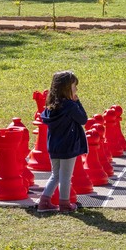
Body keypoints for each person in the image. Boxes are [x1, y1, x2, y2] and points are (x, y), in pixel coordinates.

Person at [37, 70, 88, 213]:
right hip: (68, 145)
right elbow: (83, 119)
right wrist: (77, 101)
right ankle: (65, 203)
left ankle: (44, 201)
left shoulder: (50, 106)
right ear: (67, 88)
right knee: (66, 175)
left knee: (56, 174)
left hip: (54, 145)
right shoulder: (70, 106)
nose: (76, 89)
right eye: (74, 86)